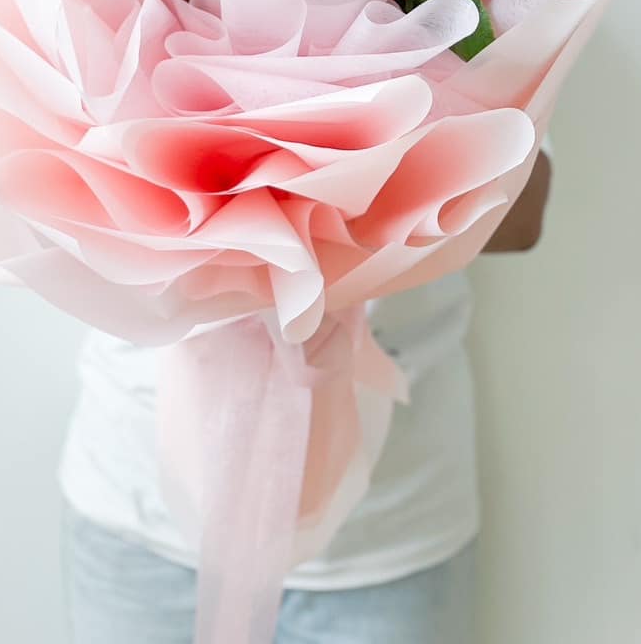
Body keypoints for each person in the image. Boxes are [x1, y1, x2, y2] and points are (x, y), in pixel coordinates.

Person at [59, 149, 553, 643]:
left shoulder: (468, 64)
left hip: (387, 527)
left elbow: (524, 213)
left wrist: (341, 182)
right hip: (137, 503)